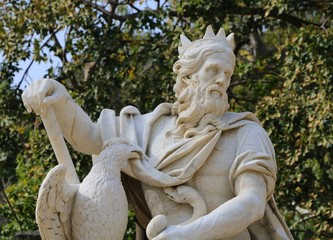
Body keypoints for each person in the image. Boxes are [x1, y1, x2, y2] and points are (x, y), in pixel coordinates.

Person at [22, 26, 293, 239]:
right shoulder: (146, 129)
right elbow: (91, 138)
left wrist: (185, 235)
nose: (222, 80)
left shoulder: (246, 132)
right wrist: (59, 98)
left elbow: (252, 202)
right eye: (213, 70)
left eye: (228, 73)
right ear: (188, 76)